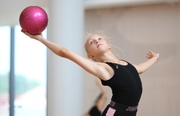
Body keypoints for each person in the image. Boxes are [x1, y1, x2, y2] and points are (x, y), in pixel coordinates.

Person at [21, 30, 159, 116]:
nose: (97, 41)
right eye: (92, 43)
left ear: (108, 45)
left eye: (99, 38)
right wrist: (41, 39)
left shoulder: (125, 64)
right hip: (115, 113)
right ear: (90, 56)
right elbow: (65, 52)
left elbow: (139, 68)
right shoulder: (102, 68)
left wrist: (155, 58)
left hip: (131, 112)